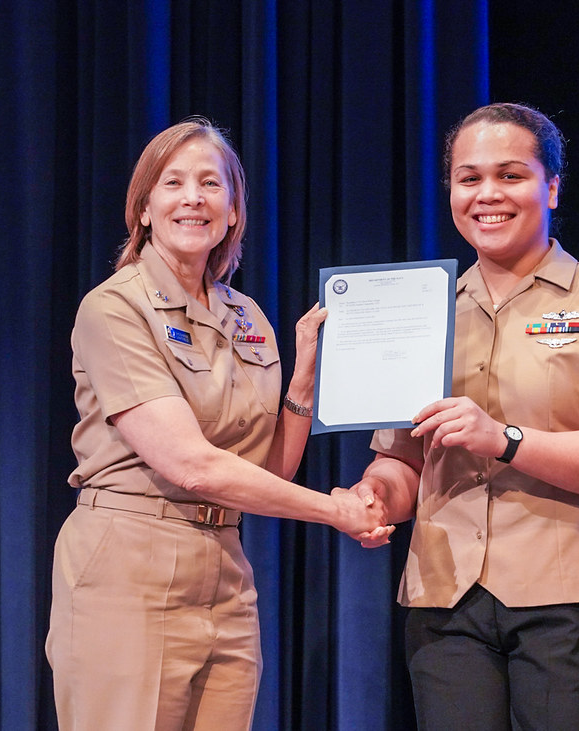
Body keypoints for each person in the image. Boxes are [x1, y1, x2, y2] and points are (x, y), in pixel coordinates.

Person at [45, 118, 387, 730]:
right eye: (173, 183)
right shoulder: (113, 307)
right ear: (144, 208)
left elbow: (266, 472)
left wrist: (304, 376)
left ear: (233, 212)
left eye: (211, 183)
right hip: (130, 563)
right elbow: (189, 464)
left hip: (226, 566)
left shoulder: (247, 315)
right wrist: (335, 511)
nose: (193, 198)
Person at [351, 102, 579, 730]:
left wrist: (505, 439)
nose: (487, 194)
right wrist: (372, 498)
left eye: (510, 175)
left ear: (551, 186)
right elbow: (402, 461)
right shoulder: (420, 305)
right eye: (468, 179)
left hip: (570, 606)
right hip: (445, 602)